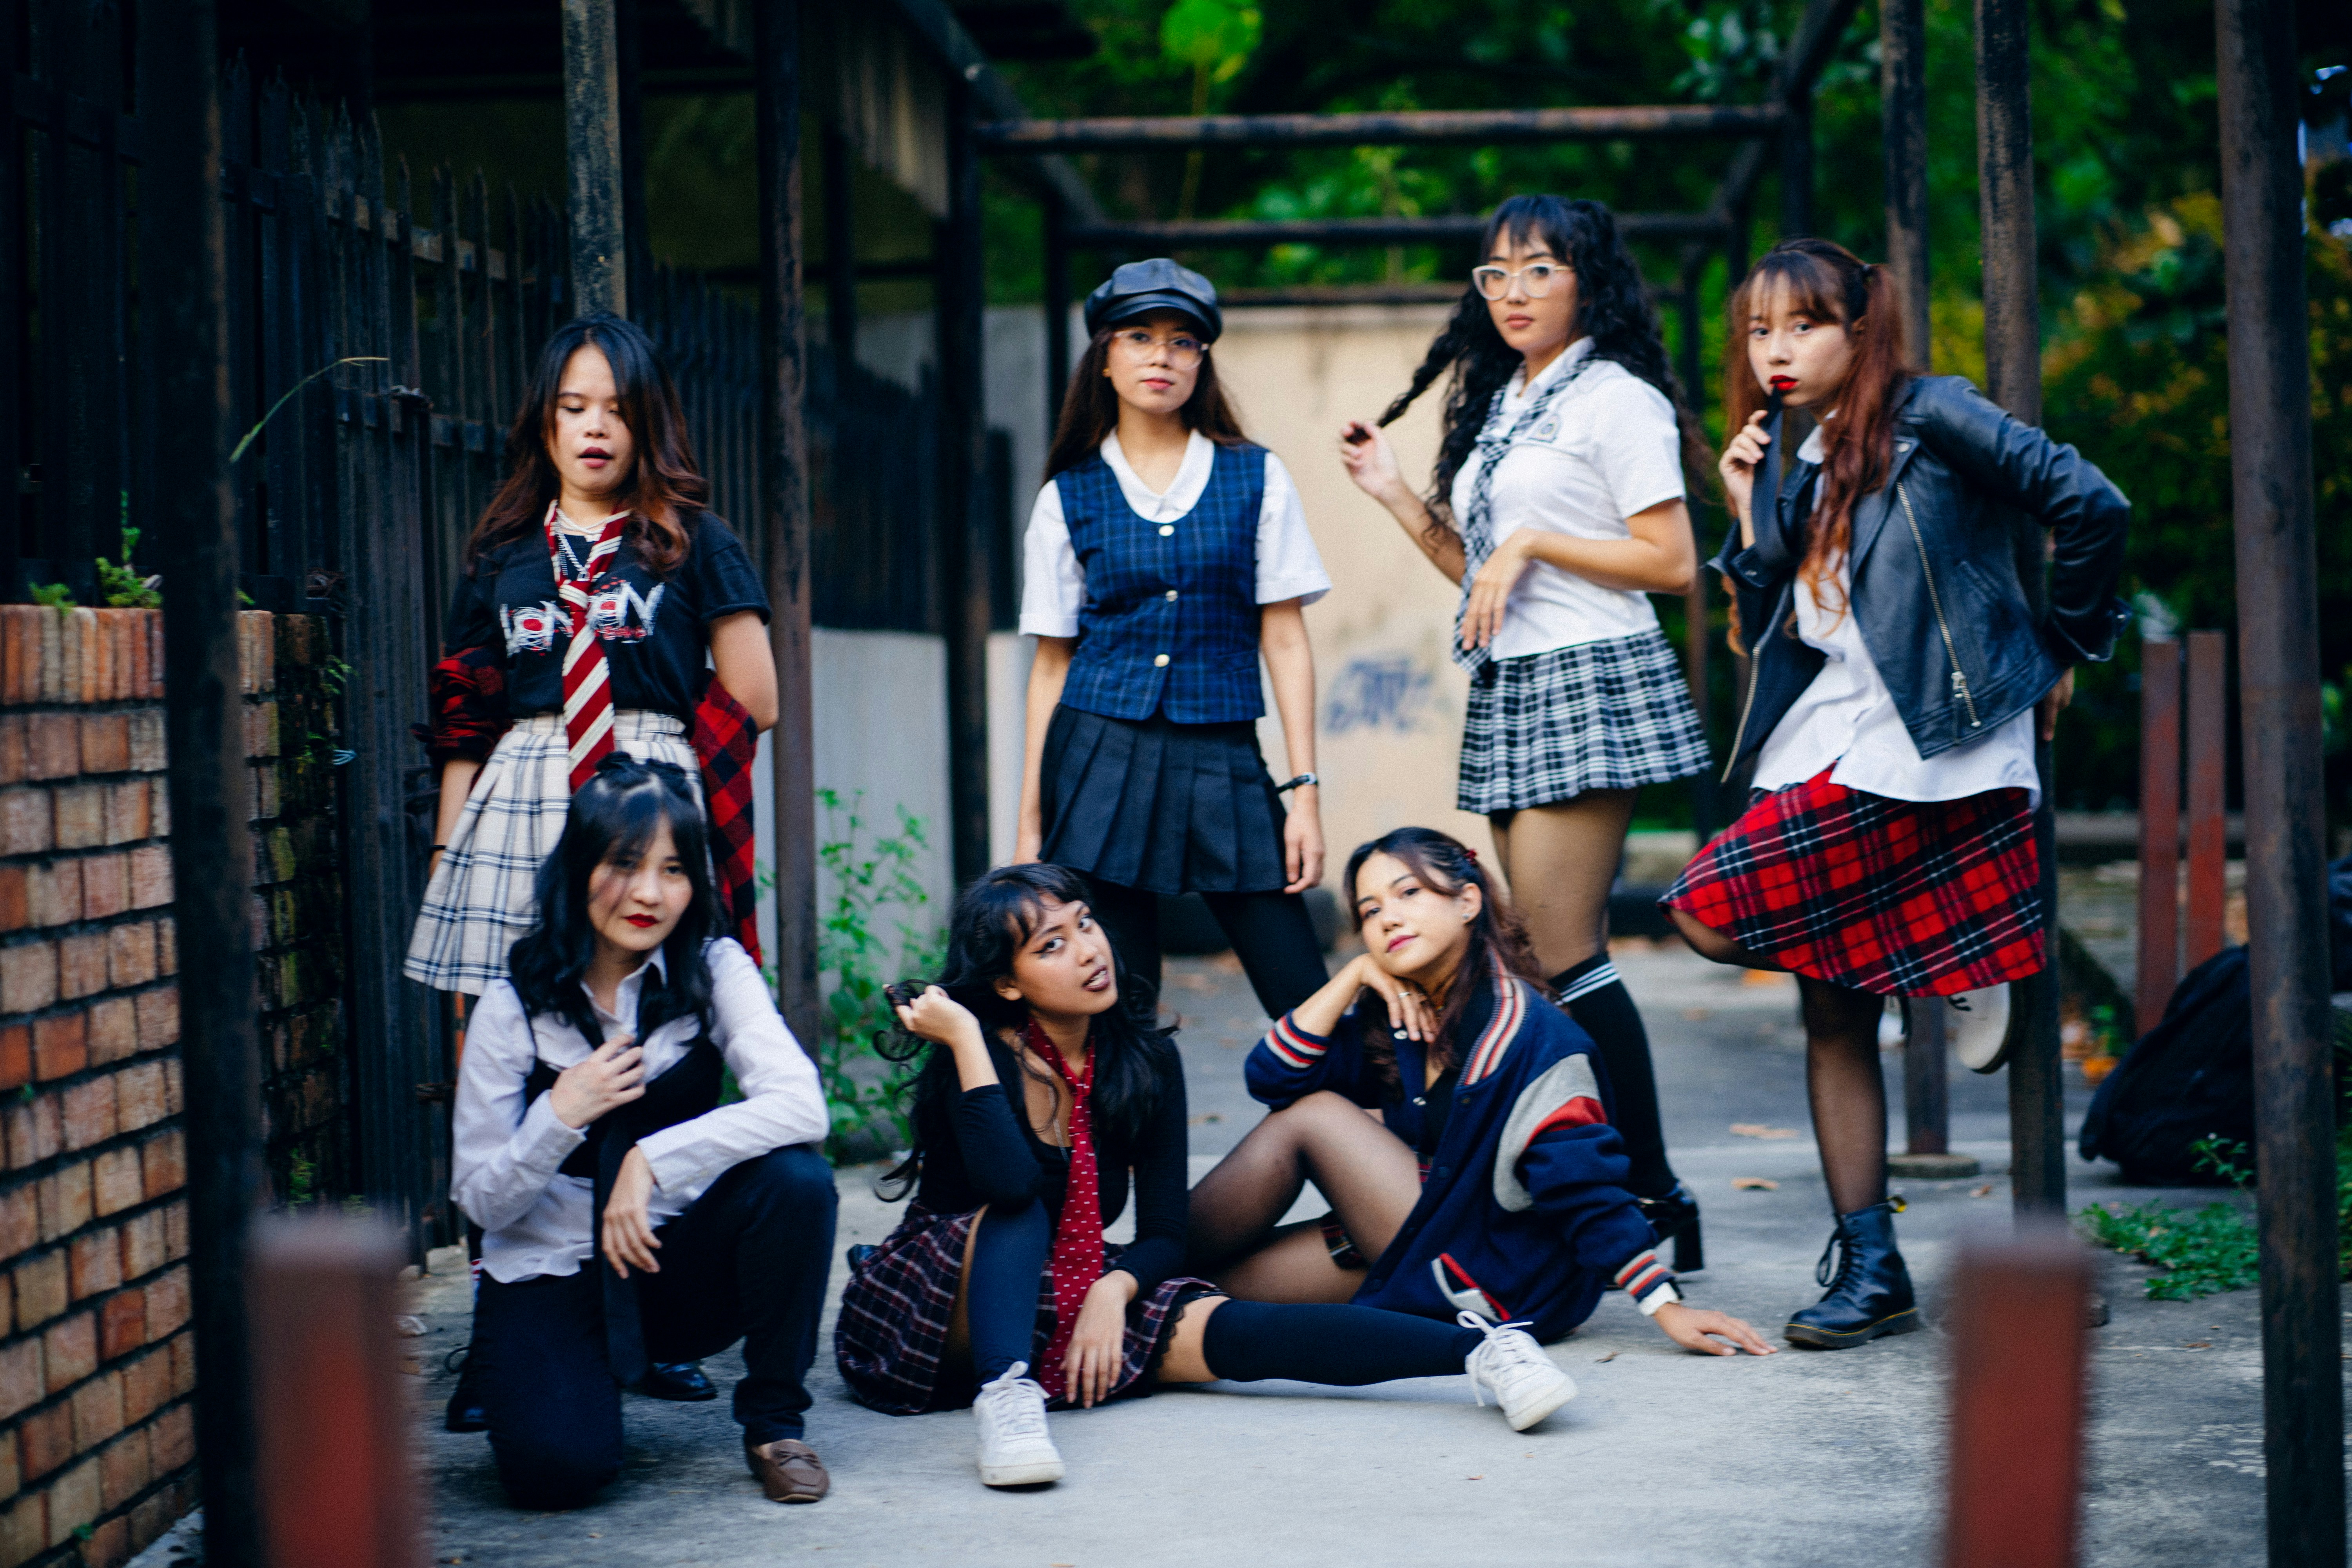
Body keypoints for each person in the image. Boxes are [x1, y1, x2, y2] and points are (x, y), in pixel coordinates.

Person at [1662, 238, 2129, 1347]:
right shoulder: (1793, 454)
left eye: (1803, 325)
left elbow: (2090, 503)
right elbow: (1774, 621)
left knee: (1705, 910)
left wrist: (2059, 647)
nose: (1775, 351)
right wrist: (1747, 510)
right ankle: (1873, 1265)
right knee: (1830, 1007)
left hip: (1932, 740)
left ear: (1861, 329)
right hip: (1828, 734)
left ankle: (1957, 959)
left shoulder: (1934, 414)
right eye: (1759, 331)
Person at [837, 863, 1624, 1492]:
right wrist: (967, 1042)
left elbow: (1165, 1234)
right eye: (1051, 946)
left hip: (1069, 1283)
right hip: (941, 1303)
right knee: (1021, 1216)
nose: (1088, 950)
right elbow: (1011, 1190)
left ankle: (1486, 1354)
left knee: (1239, 1331)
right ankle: (1008, 1399)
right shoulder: (978, 1056)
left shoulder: (1145, 1060)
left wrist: (1115, 1288)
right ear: (1005, 982)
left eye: (1086, 924)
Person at [1337, 196, 1713, 1268]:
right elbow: (1483, 577)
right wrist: (1396, 495)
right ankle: (1591, 1184)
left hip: (1592, 675)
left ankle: (1654, 1193)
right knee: (1538, 959)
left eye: (1540, 268)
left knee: (1565, 952)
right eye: (1495, 273)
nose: (1512, 292)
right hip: (1516, 679)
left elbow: (1672, 561)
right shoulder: (1509, 403)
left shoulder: (1617, 399)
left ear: (1589, 280)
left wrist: (1535, 542)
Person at [1186, 827, 1772, 1359]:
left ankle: (1146, 1257)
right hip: (1424, 1234)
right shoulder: (1401, 1015)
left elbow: (1583, 1186)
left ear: (1468, 901)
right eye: (1371, 910)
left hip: (1502, 1273)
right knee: (1202, 1292)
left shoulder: (1532, 1037)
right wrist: (1352, 976)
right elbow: (1272, 1079)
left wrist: (1664, 1305)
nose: (1388, 919)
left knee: (1314, 1117)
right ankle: (1141, 1278)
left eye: (1408, 893)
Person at [450, 756, 837, 1509]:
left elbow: (802, 1106)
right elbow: (481, 1201)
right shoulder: (512, 1006)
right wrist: (560, 1115)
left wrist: (651, 1162)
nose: (650, 894)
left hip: (672, 1264)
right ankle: (521, 1367)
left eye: (674, 869)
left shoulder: (713, 967)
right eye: (625, 864)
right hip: (554, 1270)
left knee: (797, 1183)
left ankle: (775, 1426)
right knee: (557, 1474)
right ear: (579, 866)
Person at [407, 310, 777, 997]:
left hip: (651, 790)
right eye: (573, 408)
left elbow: (756, 699)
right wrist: (445, 845)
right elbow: (467, 717)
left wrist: (667, 776)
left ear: (649, 424)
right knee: (521, 1004)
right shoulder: (502, 552)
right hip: (525, 793)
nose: (595, 427)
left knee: (658, 998)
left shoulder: (695, 540)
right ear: (544, 422)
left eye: (618, 410)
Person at [1016, 258, 1332, 1020]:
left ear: (1201, 361)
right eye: (1140, 336)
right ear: (1106, 357)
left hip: (1223, 753)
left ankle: (1351, 1102)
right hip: (1097, 759)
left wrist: (1304, 793)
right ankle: (1138, 1110)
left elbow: (1285, 639)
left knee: (1304, 994)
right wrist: (1030, 825)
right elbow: (1052, 663)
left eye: (1183, 340)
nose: (1161, 355)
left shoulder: (1256, 476)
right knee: (1123, 1012)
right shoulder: (1068, 494)